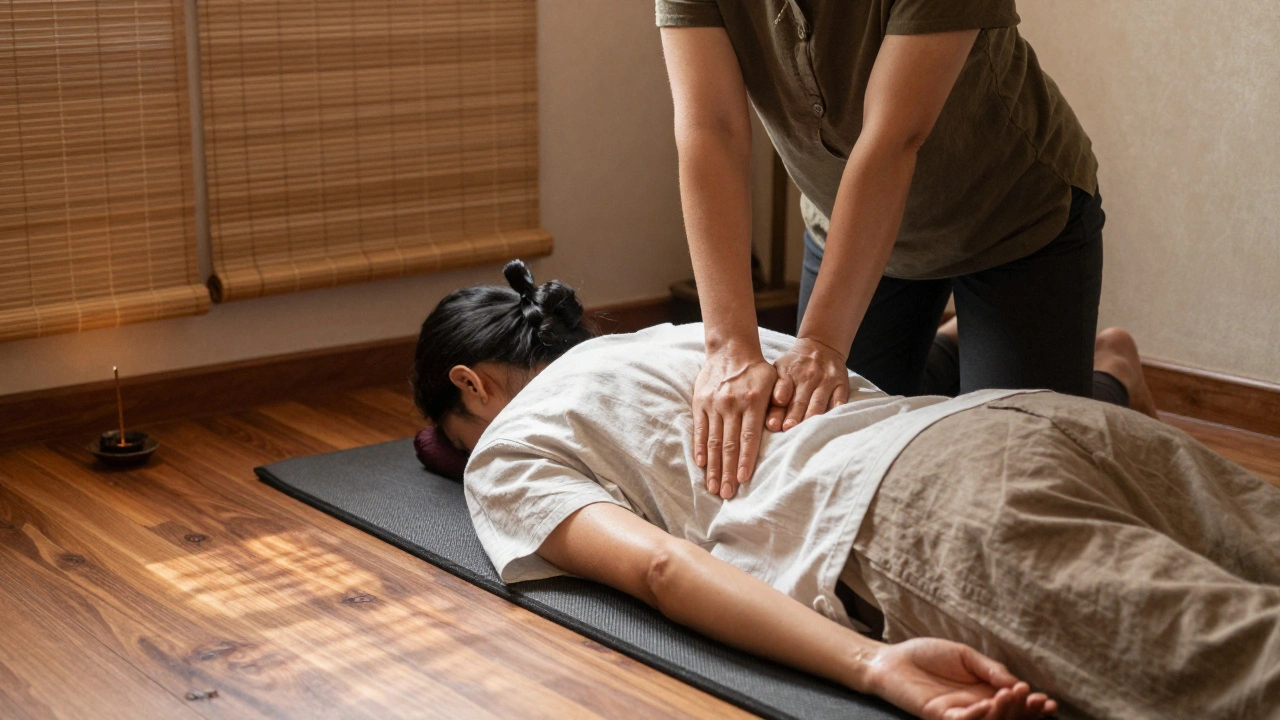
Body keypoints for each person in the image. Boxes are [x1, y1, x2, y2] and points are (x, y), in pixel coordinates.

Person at [410, 262, 1280, 720]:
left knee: (1242, 671)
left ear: (470, 385)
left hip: (926, 511)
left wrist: (873, 665)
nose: (465, 455)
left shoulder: (508, 446)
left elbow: (662, 572)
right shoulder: (682, 337)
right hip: (1026, 420)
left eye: (455, 432)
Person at [657, 1, 1121, 500]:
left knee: (1012, 486)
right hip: (851, 229)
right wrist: (729, 349)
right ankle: (967, 346)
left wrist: (820, 344)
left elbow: (894, 136)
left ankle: (1113, 370)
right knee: (827, 447)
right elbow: (712, 130)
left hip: (1010, 217)